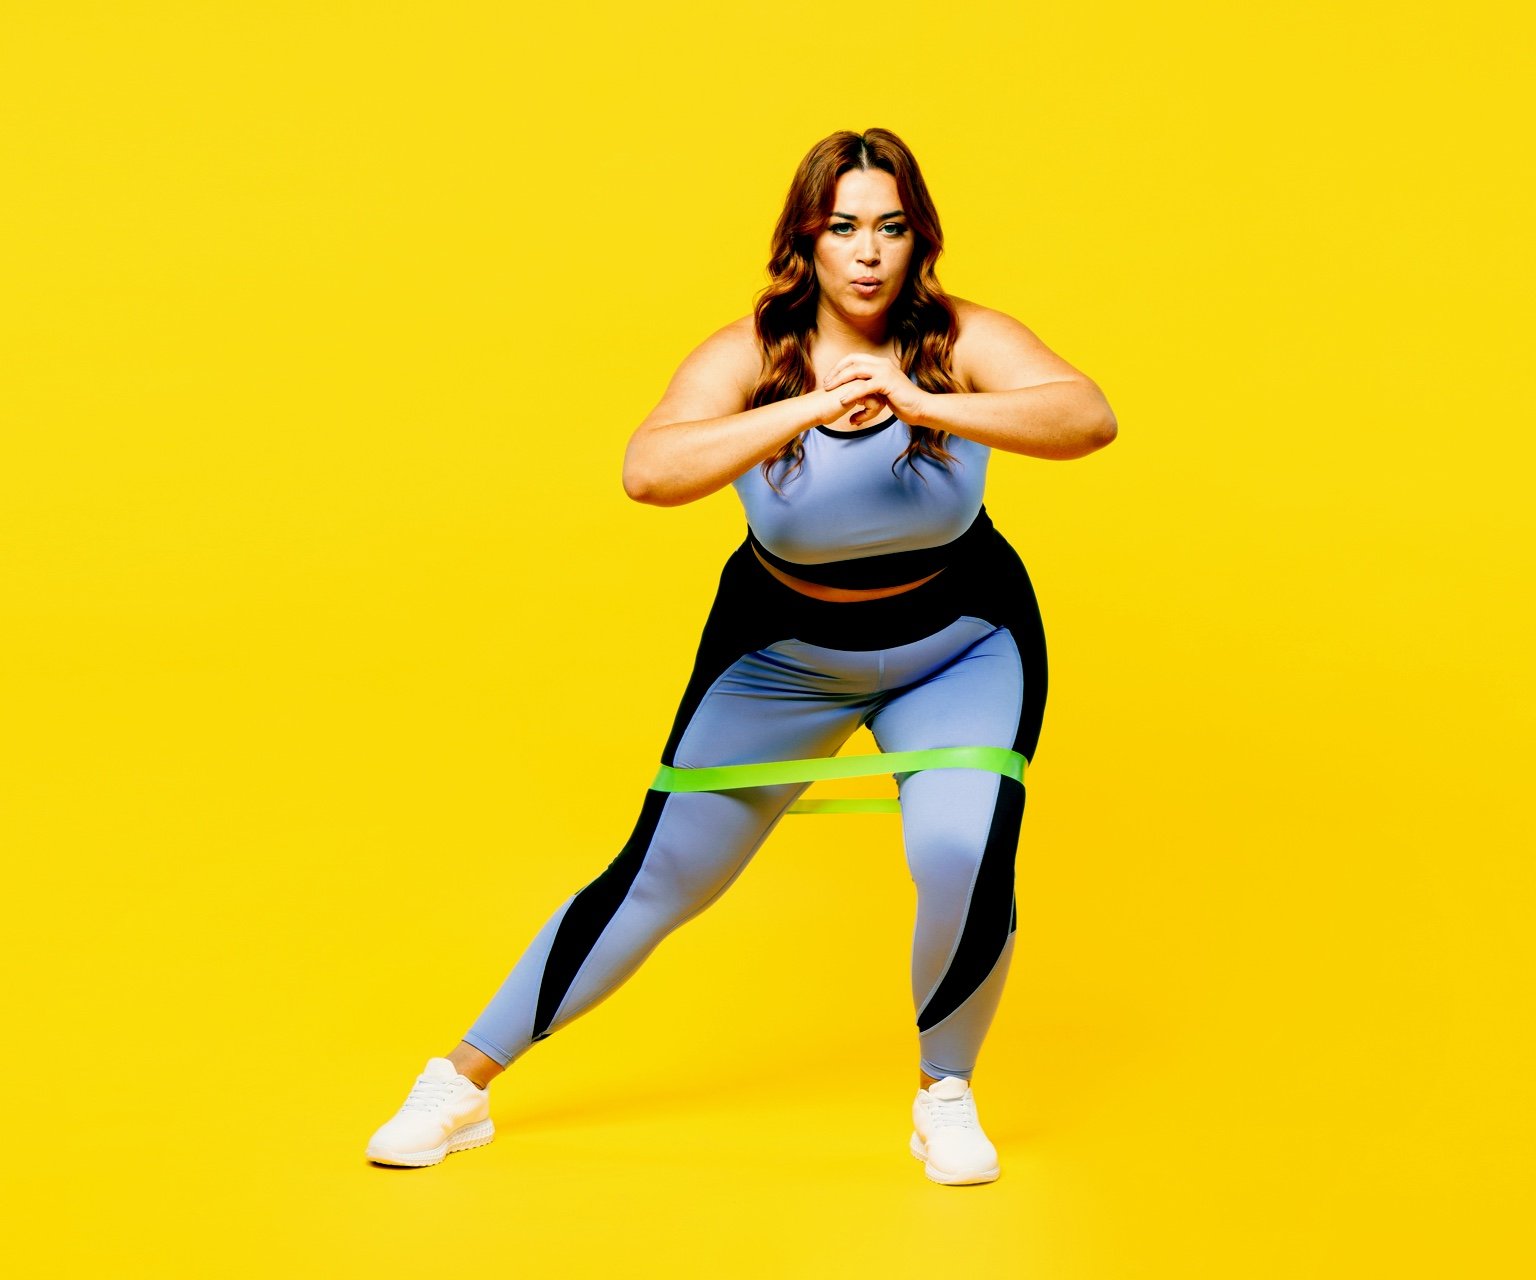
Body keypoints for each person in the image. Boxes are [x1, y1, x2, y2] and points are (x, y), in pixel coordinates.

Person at [365, 127, 1117, 1185]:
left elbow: (1088, 418)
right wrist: (811, 405)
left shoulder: (960, 338)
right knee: (661, 877)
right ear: (804, 240)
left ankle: (944, 1090)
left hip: (961, 644)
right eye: (843, 227)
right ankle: (461, 1080)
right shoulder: (748, 355)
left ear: (918, 239)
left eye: (891, 228)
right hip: (782, 654)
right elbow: (649, 471)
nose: (868, 253)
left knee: (959, 845)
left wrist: (918, 401)